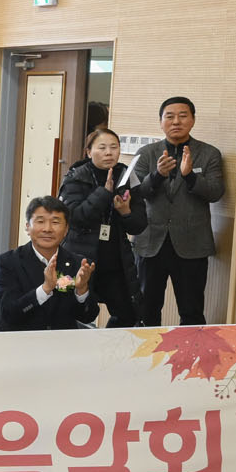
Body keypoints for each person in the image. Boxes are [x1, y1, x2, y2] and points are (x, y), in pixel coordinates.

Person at [131, 96, 226, 325]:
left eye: (183, 116)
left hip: (191, 244)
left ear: (192, 120)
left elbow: (215, 192)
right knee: (146, 308)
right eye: (170, 116)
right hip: (151, 243)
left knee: (192, 310)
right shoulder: (146, 153)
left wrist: (190, 176)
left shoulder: (209, 153)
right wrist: (157, 175)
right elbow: (136, 193)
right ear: (160, 122)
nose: (176, 121)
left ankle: (190, 349)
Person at [59, 127, 147, 328]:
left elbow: (139, 225)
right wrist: (104, 193)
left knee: (128, 314)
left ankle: (107, 345)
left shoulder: (126, 175)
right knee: (70, 312)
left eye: (114, 147)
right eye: (102, 147)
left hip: (115, 259)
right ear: (89, 152)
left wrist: (126, 212)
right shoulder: (76, 176)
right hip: (78, 258)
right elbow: (75, 218)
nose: (109, 152)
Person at [0, 196, 98, 330]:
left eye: (55, 222)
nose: (47, 229)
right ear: (27, 227)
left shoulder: (79, 264)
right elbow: (10, 314)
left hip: (62, 340)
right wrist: (45, 289)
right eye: (40, 221)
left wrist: (81, 290)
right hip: (20, 339)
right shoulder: (8, 262)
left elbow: (88, 317)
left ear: (66, 230)